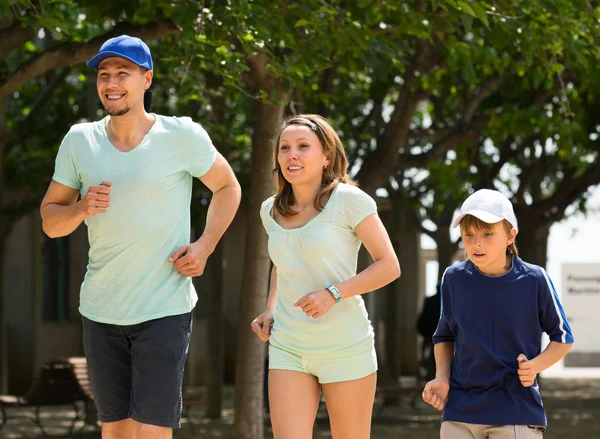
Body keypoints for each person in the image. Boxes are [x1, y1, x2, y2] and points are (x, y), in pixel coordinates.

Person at [39, 35, 241, 439]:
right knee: (115, 431)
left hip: (164, 308)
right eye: (104, 74)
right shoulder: (80, 141)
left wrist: (205, 245)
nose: (111, 82)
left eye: (123, 73)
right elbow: (50, 220)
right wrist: (79, 209)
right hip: (100, 310)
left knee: (152, 431)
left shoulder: (181, 135)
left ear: (147, 79)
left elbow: (228, 187)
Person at [250, 114, 400, 439]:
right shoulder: (269, 210)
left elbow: (389, 265)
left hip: (344, 347)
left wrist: (333, 293)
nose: (292, 154)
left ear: (326, 156)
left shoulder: (349, 201)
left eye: (304, 146)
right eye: (285, 147)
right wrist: (270, 308)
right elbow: (284, 262)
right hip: (288, 345)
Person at [422, 189, 574, 439]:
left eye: (488, 234)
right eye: (468, 235)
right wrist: (441, 378)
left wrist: (535, 366)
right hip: (459, 413)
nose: (476, 242)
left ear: (510, 235)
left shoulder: (535, 279)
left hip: (515, 411)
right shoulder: (453, 278)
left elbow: (563, 338)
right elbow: (444, 336)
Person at [416, 284, 441, 381]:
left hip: (432, 334)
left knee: (432, 356)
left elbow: (423, 319)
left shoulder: (430, 301)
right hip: (434, 333)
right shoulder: (449, 301)